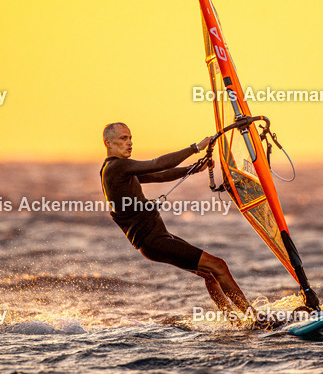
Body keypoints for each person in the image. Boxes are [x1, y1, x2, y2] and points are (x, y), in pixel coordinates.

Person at [100, 121, 268, 325]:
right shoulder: (115, 168)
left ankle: (235, 322)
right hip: (153, 240)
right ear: (107, 142)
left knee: (210, 275)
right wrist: (195, 148)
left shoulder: (119, 170)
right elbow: (157, 163)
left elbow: (159, 174)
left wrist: (194, 168)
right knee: (218, 265)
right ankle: (258, 320)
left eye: (130, 138)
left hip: (155, 239)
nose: (129, 143)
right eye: (123, 139)